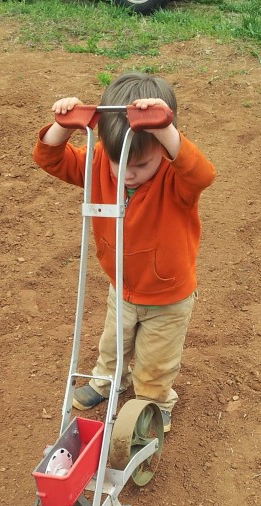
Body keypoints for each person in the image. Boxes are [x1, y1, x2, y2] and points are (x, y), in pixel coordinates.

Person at [33, 72, 216, 433]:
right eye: (122, 166)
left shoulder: (175, 177)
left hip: (168, 296)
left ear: (164, 149)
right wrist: (63, 124)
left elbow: (203, 175)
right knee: (113, 343)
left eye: (141, 165)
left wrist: (164, 129)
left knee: (155, 362)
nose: (129, 175)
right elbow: (50, 159)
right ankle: (105, 380)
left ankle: (154, 401)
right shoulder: (100, 161)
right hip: (121, 284)